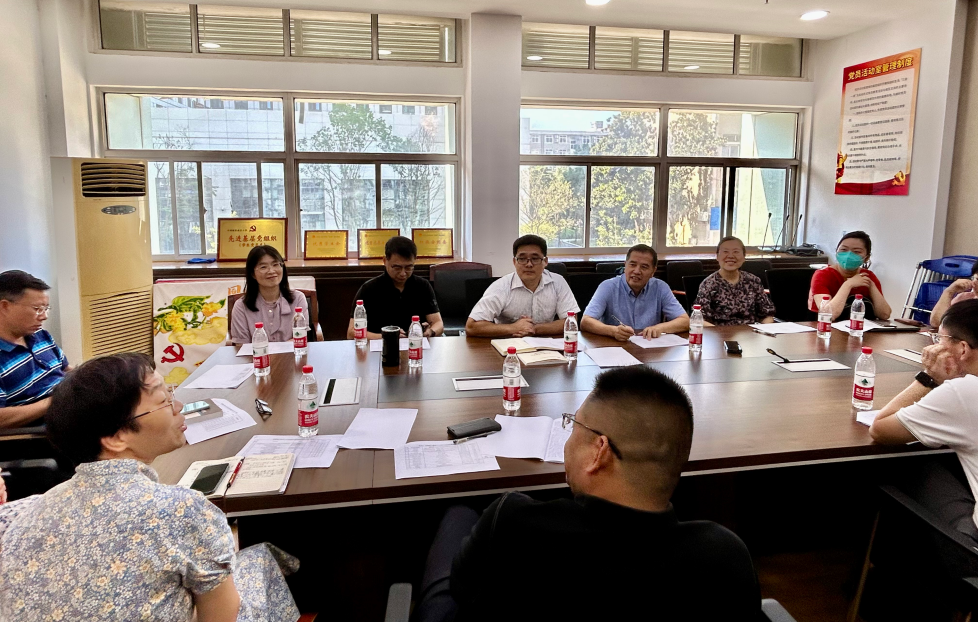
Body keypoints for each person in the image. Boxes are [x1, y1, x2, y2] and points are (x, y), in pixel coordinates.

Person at [413, 367, 760, 622]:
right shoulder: (726, 557)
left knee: (458, 513)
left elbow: (463, 590)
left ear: (598, 452)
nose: (568, 439)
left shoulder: (513, 523)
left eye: (573, 425)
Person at [0, 353, 301, 621]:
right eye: (164, 401)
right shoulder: (184, 510)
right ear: (116, 437)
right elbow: (222, 617)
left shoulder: (12, 518)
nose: (179, 406)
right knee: (261, 562)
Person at [870, 299, 978, 544]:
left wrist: (929, 378)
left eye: (940, 339)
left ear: (962, 349)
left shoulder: (964, 392)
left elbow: (881, 429)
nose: (935, 346)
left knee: (907, 466)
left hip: (972, 551)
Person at [466, 235, 579, 337]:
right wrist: (513, 328)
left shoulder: (557, 282)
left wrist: (534, 329)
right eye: (522, 259)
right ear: (514, 262)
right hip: (508, 345)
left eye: (535, 259)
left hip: (545, 345)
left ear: (545, 261)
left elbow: (571, 320)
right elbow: (472, 326)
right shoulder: (501, 287)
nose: (529, 264)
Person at [0, 270, 69, 428]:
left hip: (70, 406)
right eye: (37, 308)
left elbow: (65, 369)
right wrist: (57, 400)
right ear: (5, 306)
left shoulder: (40, 335)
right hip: (45, 430)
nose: (44, 316)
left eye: (46, 308)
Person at [581, 244, 690, 341]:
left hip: (649, 348)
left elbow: (685, 321)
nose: (637, 271)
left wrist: (659, 328)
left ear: (653, 271)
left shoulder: (660, 287)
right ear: (625, 266)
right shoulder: (608, 287)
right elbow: (586, 321)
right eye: (632, 265)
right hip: (616, 348)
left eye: (644, 267)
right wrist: (613, 331)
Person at [346, 236, 443, 339]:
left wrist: (430, 332)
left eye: (408, 267)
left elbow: (438, 323)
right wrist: (387, 336)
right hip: (379, 345)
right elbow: (351, 333)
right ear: (385, 261)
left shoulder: (423, 286)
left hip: (415, 344)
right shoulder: (369, 289)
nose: (403, 273)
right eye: (397, 267)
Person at [230, 245, 308, 344]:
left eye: (275, 264)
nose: (271, 271)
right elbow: (241, 345)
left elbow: (300, 338)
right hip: (255, 354)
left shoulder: (298, 299)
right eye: (263, 267)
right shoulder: (241, 306)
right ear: (253, 274)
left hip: (291, 354)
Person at [808, 231, 892, 320]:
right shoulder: (822, 275)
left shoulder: (868, 276)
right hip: (822, 326)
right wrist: (848, 285)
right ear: (836, 251)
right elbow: (829, 315)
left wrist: (871, 286)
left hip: (858, 326)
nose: (848, 255)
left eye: (856, 252)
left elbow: (884, 315)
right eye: (844, 250)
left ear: (866, 258)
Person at [694, 236, 776, 326]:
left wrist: (765, 329)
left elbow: (767, 314)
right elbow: (700, 319)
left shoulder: (753, 281)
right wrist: (719, 333)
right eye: (725, 252)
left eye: (736, 252)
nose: (730, 256)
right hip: (720, 333)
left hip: (750, 333)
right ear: (717, 256)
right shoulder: (708, 284)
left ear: (744, 257)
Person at [929, 261, 978, 327]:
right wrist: (949, 292)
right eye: (974, 278)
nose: (974, 283)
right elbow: (937, 323)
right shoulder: (964, 298)